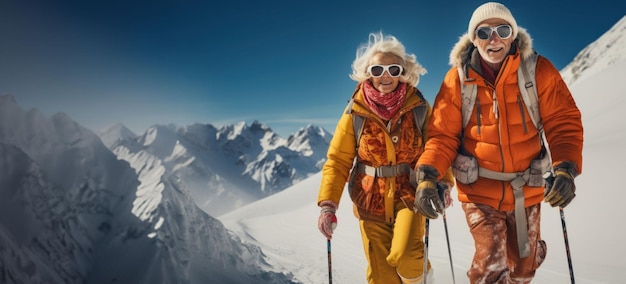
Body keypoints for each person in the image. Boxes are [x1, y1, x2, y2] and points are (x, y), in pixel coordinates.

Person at [412, 2, 584, 283]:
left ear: (513, 36)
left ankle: (530, 252)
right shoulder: (458, 79)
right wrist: (428, 175)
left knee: (522, 271)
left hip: (527, 187)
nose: (494, 39)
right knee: (490, 265)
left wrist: (565, 168)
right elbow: (442, 135)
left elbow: (563, 122)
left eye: (502, 30)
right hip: (479, 190)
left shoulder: (537, 70)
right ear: (473, 39)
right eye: (484, 32)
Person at [316, 32, 454, 284]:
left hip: (411, 193)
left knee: (406, 256)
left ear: (403, 71)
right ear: (368, 72)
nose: (385, 75)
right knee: (381, 277)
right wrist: (328, 205)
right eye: (378, 69)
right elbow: (338, 160)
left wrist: (442, 181)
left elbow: (437, 144)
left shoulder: (419, 107)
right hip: (369, 199)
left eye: (393, 68)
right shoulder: (355, 112)